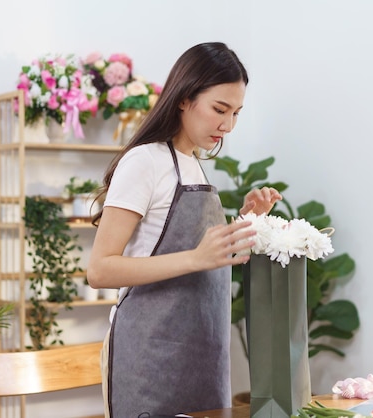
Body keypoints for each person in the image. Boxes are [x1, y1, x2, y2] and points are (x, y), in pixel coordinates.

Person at [87, 42, 282, 418]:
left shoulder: (193, 165)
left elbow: (205, 261)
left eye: (236, 113)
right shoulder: (144, 162)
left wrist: (246, 221)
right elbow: (100, 269)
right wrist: (196, 257)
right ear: (183, 98)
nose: (227, 125)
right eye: (219, 109)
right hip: (150, 358)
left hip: (204, 353)